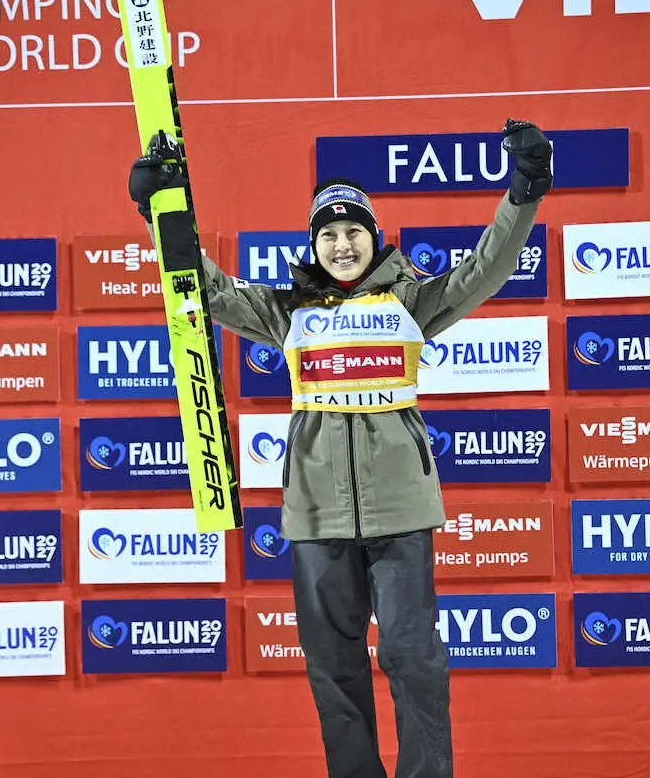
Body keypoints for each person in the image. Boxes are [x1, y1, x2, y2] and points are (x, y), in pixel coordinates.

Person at [129, 119, 552, 777]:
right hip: (316, 515)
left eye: (354, 230)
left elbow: (487, 267)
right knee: (333, 665)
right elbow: (206, 289)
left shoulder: (410, 298)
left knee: (413, 657)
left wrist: (523, 191)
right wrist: (161, 211)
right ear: (314, 244)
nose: (342, 242)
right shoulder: (287, 309)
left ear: (373, 237)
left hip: (402, 514)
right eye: (328, 233)